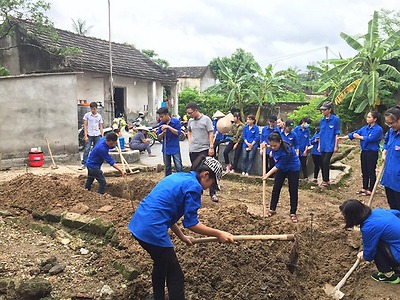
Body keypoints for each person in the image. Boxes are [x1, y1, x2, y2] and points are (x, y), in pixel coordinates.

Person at [128, 156, 234, 299]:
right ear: (205, 175)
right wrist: (218, 233)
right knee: (175, 277)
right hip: (152, 230)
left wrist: (182, 237)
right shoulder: (194, 187)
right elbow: (191, 223)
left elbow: (168, 212)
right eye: (212, 184)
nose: (210, 187)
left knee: (160, 264)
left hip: (139, 224)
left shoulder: (179, 177)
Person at [339, 199, 400, 284]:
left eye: (345, 216)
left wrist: (363, 255)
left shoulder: (369, 227)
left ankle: (388, 275)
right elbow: (397, 212)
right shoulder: (377, 211)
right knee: (381, 238)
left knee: (376, 244)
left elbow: (369, 254)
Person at [338, 111, 383, 196]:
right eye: (367, 117)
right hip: (364, 152)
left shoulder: (378, 129)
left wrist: (359, 137)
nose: (367, 118)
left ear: (375, 119)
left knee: (371, 171)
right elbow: (355, 133)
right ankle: (364, 188)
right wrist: (343, 138)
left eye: (369, 117)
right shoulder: (365, 128)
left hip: (372, 152)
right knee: (364, 170)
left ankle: (371, 189)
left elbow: (371, 139)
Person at [262, 132, 300, 223]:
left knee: (293, 190)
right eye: (271, 145)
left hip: (292, 168)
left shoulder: (287, 151)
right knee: (276, 188)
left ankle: (293, 212)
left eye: (275, 145)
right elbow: (269, 146)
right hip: (281, 169)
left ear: (280, 142)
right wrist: (265, 146)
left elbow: (278, 166)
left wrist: (267, 175)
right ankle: (272, 209)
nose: (273, 147)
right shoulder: (273, 146)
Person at [185, 103, 217, 202]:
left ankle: (213, 193)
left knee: (209, 172)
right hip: (193, 149)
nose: (189, 115)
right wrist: (190, 141)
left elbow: (210, 132)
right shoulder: (190, 121)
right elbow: (189, 131)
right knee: (195, 171)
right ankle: (197, 192)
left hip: (204, 148)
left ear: (195, 110)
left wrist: (211, 146)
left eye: (190, 113)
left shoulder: (206, 119)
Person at [381, 106, 400, 209]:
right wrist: (384, 151)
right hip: (389, 178)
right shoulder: (391, 133)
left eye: (391, 123)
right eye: (387, 123)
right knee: (392, 206)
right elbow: (386, 143)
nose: (389, 126)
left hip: (398, 180)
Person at [318, 101, 341, 187]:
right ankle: (325, 180)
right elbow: (321, 133)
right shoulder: (322, 120)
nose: (322, 111)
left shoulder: (335, 119)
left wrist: (336, 145)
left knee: (325, 161)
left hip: (331, 145)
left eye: (324, 110)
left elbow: (337, 133)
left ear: (329, 110)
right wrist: (319, 145)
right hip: (323, 144)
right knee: (322, 162)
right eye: (322, 110)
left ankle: (326, 180)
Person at [156, 107, 183, 176]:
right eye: (160, 117)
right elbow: (158, 138)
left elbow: (178, 133)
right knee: (167, 167)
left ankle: (180, 179)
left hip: (175, 148)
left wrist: (169, 127)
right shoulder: (161, 124)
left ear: (167, 115)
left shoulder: (176, 122)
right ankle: (168, 180)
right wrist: (162, 133)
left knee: (178, 166)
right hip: (166, 148)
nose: (161, 119)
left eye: (162, 117)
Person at [81, 102, 104, 169]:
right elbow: (85, 125)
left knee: (96, 149)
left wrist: (102, 135)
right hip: (89, 134)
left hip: (97, 134)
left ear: (96, 108)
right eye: (91, 109)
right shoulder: (87, 115)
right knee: (87, 149)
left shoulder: (99, 116)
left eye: (94, 109)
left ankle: (93, 162)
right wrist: (85, 136)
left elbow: (100, 126)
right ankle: (84, 163)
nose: (93, 110)